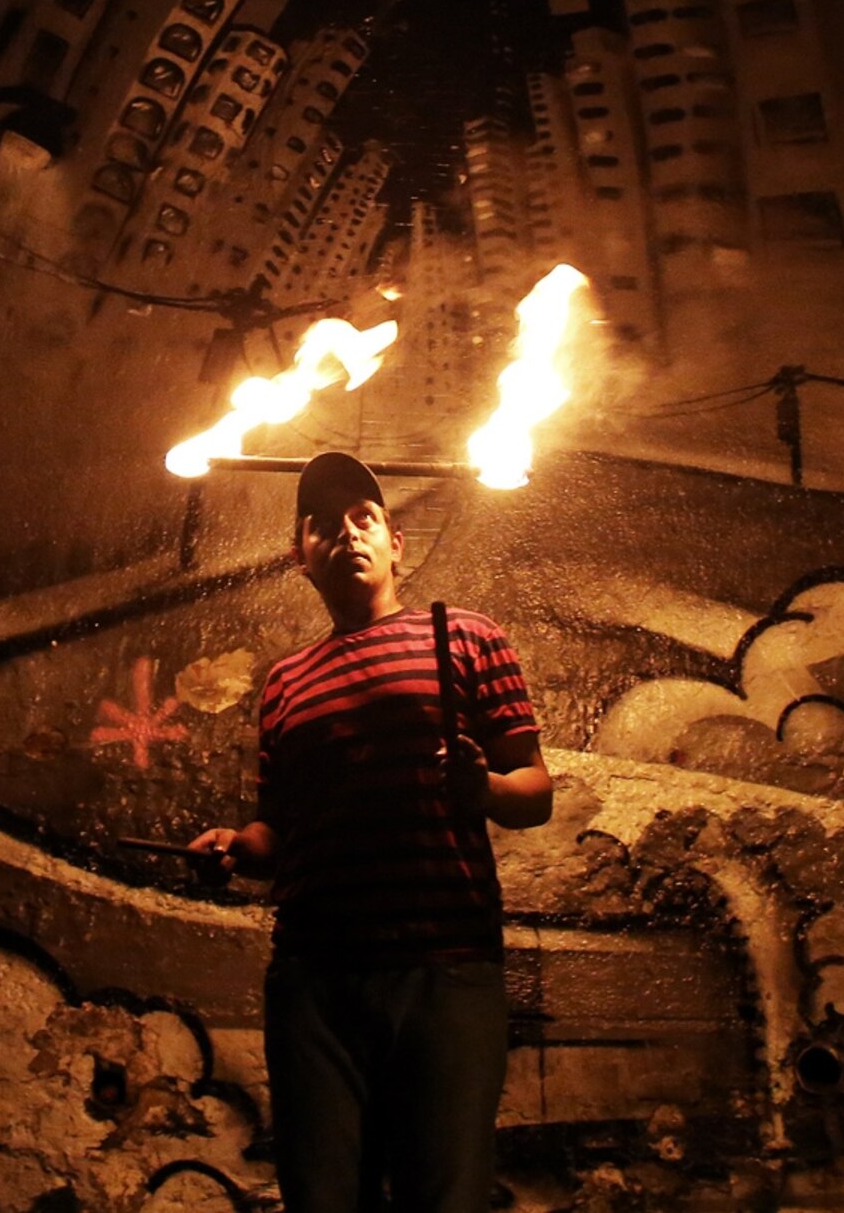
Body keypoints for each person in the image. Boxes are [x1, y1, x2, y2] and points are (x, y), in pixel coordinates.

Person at [189, 450, 555, 1213]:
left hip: (445, 965)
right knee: (322, 1199)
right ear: (300, 555)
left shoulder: (468, 638)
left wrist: (482, 786)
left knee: (444, 1196)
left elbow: (534, 791)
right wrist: (236, 846)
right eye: (323, 525)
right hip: (315, 976)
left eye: (364, 518)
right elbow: (279, 831)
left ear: (397, 544)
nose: (347, 533)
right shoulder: (286, 681)